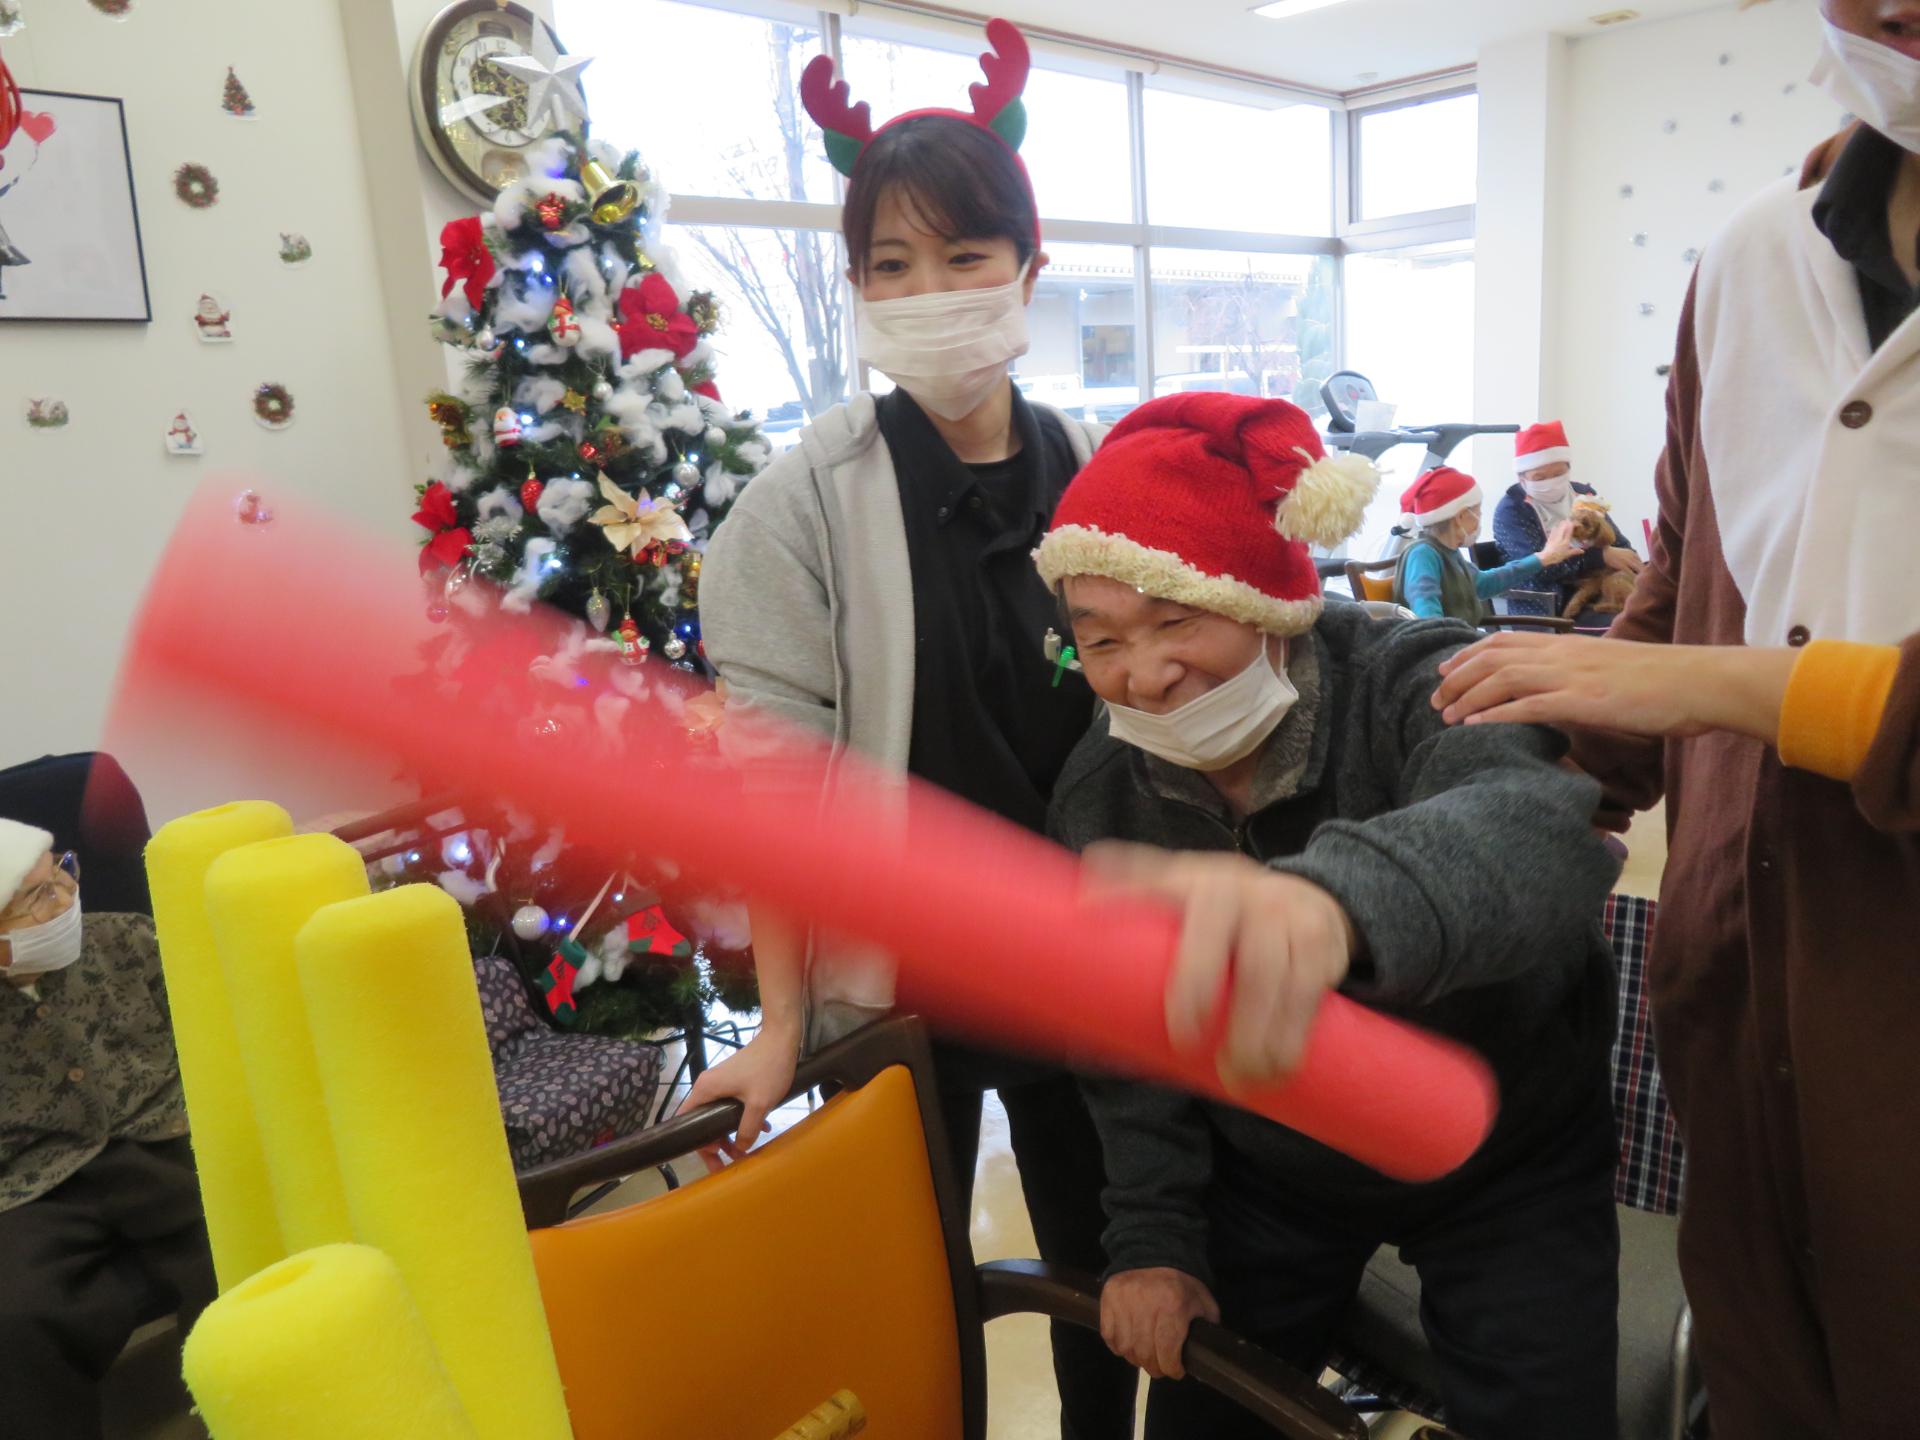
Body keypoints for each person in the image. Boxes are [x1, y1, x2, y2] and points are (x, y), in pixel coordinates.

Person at [1428, 5, 1920, 1433]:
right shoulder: (1754, 256)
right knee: (1769, 1371)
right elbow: (1683, 576)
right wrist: (1461, 839)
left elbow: (1680, 669)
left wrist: (1707, 687)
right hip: (1742, 986)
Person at [691, 19, 1135, 1436]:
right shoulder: (801, 505)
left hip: (1082, 966)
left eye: (964, 257)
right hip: (901, 987)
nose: (928, 293)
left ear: (1029, 271)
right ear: (857, 290)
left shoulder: (1095, 473)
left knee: (1110, 1280)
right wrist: (777, 1024)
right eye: (890, 266)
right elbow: (771, 789)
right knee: (916, 1301)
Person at [1037, 393, 1622, 1440]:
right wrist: (1154, 1241)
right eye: (1103, 640)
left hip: (1510, 1150)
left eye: (1177, 620)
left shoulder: (1416, 678)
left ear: (1268, 604)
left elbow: (1530, 823)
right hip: (1277, 1169)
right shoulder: (1102, 793)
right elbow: (1126, 1044)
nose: (1145, 675)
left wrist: (1328, 906)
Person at [0, 818, 215, 1440]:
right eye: (37, 897)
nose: (65, 898)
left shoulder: (129, 940)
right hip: (34, 1187)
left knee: (234, 1248)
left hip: (165, 1139)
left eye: (61, 874)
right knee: (13, 1320)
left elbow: (211, 1044)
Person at [1391, 465, 1582, 623]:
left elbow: (1483, 583)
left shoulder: (1449, 552)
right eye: (1477, 511)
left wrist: (1542, 558)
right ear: (1461, 516)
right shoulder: (1423, 554)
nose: (1480, 516)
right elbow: (1428, 619)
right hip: (1445, 649)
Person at [1492, 420, 1642, 619]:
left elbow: (1620, 545)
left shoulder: (1584, 496)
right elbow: (1537, 569)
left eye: (1558, 473)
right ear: (1522, 478)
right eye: (1539, 477)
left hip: (1603, 590)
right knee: (1632, 625)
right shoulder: (1512, 510)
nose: (1551, 482)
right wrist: (1600, 556)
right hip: (1550, 605)